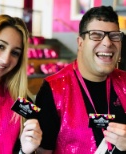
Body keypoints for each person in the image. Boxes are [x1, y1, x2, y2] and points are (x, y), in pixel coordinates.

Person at [35, 5, 126, 154]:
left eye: (114, 36)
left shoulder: (124, 82)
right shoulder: (53, 89)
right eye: (96, 35)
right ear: (80, 42)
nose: (108, 43)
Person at [0, 14, 42, 154]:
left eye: (15, 53)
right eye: (0, 46)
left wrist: (25, 151)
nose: (5, 60)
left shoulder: (23, 103)